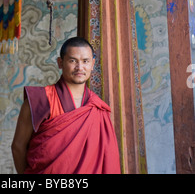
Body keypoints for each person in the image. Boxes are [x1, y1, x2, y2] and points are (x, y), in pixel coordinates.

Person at [11, 37, 121, 174]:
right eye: (72, 61)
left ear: (92, 64)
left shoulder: (97, 107)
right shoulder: (40, 99)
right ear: (60, 63)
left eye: (85, 61)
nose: (80, 67)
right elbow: (18, 147)